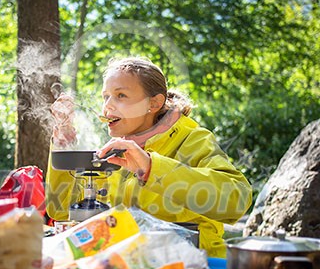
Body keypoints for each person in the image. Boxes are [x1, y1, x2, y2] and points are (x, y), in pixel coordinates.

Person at [45, 56, 252, 257]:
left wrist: (152, 168)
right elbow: (61, 211)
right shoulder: (116, 152)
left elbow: (237, 200)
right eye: (105, 96)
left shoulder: (192, 139)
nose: (107, 106)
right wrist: (63, 143)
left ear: (153, 104)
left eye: (121, 96)